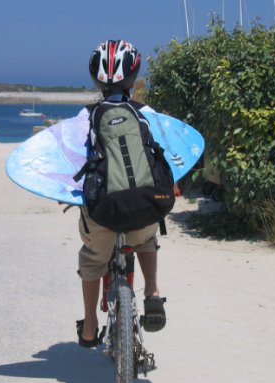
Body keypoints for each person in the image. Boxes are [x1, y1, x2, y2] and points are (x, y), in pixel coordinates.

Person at [76, 39, 167, 348]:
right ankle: (152, 291)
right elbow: (168, 152)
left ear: (96, 79)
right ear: (133, 75)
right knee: (146, 239)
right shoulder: (146, 113)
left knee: (91, 259)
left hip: (104, 212)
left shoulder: (85, 118)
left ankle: (89, 328)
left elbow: (71, 161)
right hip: (145, 204)